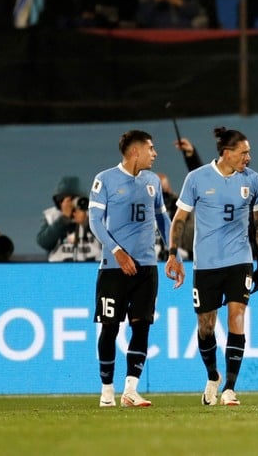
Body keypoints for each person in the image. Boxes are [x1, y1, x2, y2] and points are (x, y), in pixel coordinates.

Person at [164, 126, 258, 407]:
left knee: (237, 317)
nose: (248, 157)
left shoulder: (254, 181)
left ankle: (231, 389)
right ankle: (213, 376)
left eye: (249, 152)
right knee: (206, 325)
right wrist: (173, 254)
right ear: (227, 153)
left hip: (240, 260)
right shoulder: (197, 179)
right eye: (244, 152)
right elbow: (180, 218)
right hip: (206, 263)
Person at [88, 130, 172, 408]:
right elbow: (95, 220)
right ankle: (107, 391)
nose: (155, 153)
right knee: (110, 328)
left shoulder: (152, 182)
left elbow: (162, 217)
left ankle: (131, 390)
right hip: (114, 268)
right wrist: (117, 251)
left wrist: (173, 253)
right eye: (151, 148)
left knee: (142, 326)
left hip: (147, 267)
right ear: (135, 151)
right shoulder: (105, 179)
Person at [37, 175, 102, 262]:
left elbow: (108, 242)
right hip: (58, 270)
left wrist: (87, 223)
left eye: (74, 199)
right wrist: (63, 220)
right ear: (59, 201)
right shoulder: (51, 216)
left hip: (92, 268)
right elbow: (44, 243)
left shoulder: (95, 214)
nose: (71, 204)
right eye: (66, 200)